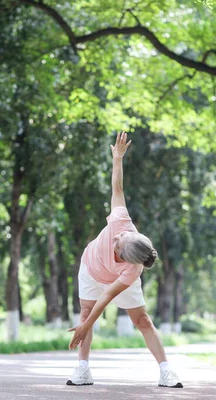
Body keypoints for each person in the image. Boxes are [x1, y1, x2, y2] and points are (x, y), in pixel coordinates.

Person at [66, 132, 182, 388]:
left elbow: (107, 296)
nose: (118, 236)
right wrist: (117, 158)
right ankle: (82, 368)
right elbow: (117, 188)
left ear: (123, 256)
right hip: (89, 269)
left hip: (112, 283)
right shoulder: (122, 222)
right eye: (125, 235)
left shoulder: (131, 270)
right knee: (86, 312)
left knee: (142, 321)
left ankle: (166, 371)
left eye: (120, 241)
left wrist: (85, 327)